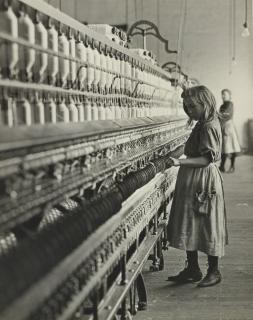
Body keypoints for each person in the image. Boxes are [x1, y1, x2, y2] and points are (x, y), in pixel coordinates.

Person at [166, 85, 228, 287]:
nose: (188, 111)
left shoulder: (209, 126)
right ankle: (192, 269)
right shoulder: (202, 122)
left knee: (207, 223)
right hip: (193, 179)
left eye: (192, 106)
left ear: (206, 103)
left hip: (203, 179)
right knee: (190, 221)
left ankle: (214, 271)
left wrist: (179, 162)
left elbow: (205, 160)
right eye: (186, 106)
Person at [219, 89, 241, 173]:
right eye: (222, 94)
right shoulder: (222, 105)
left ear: (229, 96)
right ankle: (222, 166)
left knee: (231, 147)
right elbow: (221, 115)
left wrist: (219, 115)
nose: (223, 96)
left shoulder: (230, 104)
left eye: (225, 94)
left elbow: (226, 115)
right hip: (224, 126)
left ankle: (232, 166)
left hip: (228, 127)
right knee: (224, 147)